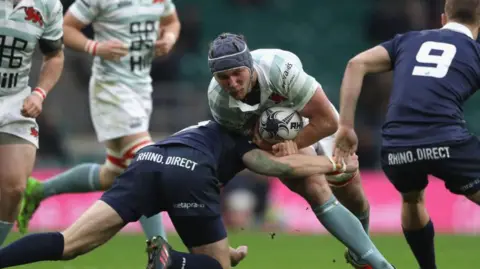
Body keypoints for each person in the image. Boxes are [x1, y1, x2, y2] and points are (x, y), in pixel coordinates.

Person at [0, 120, 393, 269]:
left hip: (148, 159)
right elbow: (281, 167)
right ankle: (170, 261)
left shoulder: (208, 122)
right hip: (189, 174)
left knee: (69, 244)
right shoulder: (247, 140)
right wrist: (333, 165)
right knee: (214, 268)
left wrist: (228, 252)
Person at [17, 0, 181, 240]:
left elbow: (171, 21)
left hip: (142, 89)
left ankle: (40, 190)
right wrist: (95, 47)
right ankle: (160, 250)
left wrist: (169, 39)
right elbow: (67, 27)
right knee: (146, 162)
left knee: (114, 172)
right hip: (111, 88)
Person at [334, 1, 480, 268]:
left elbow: (356, 64)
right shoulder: (475, 51)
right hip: (447, 141)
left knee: (412, 198)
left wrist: (345, 127)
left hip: (397, 145)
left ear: (443, 18)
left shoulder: (409, 40)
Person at [207, 33, 372, 267]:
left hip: (309, 118)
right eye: (223, 77)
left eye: (237, 73)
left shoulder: (278, 68)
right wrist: (270, 146)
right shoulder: (218, 102)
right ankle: (372, 261)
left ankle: (359, 250)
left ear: (249, 65)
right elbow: (250, 145)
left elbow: (327, 121)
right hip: (274, 134)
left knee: (350, 186)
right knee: (314, 186)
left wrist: (295, 143)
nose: (232, 83)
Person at [0, 0, 64, 245]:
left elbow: (55, 56)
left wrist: (39, 93)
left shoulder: (47, 5)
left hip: (15, 103)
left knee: (15, 189)